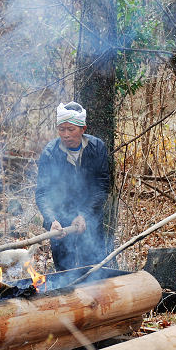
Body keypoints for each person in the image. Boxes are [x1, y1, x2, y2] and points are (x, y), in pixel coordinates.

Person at [35, 101, 110, 271]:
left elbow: (102, 186)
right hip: (60, 222)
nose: (66, 134)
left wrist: (84, 214)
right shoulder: (50, 153)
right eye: (62, 129)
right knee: (64, 273)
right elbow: (42, 193)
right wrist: (51, 220)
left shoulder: (97, 148)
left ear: (83, 129)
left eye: (71, 129)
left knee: (92, 269)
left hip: (90, 218)